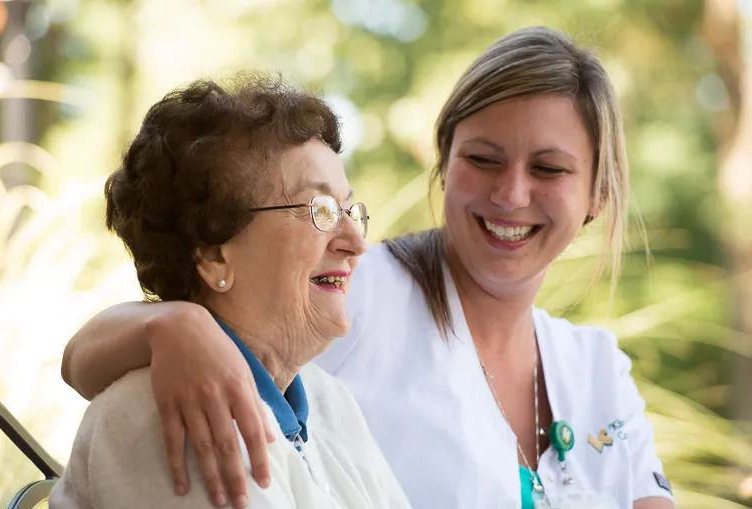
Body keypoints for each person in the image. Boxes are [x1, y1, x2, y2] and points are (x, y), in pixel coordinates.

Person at [60, 27, 675, 509]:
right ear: (445, 160)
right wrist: (171, 325)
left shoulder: (593, 368)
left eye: (549, 169)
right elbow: (95, 357)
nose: (512, 194)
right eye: (484, 159)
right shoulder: (359, 297)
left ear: (599, 195)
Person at [50, 75, 411, 509]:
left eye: (348, 208)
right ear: (214, 255)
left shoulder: (325, 399)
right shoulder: (174, 410)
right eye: (320, 210)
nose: (355, 242)